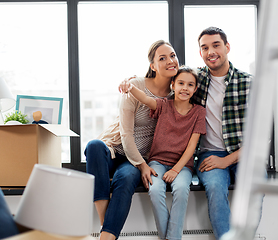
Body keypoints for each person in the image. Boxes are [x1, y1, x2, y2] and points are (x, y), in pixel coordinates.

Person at [85, 40, 179, 240]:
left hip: (136, 158)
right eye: (162, 58)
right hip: (114, 149)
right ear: (153, 66)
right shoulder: (135, 86)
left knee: (126, 178)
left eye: (172, 55)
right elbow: (126, 134)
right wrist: (143, 166)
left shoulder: (176, 95)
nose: (170, 60)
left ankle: (107, 237)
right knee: (93, 145)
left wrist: (143, 164)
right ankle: (105, 222)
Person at [119, 66, 206, 240]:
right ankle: (169, 237)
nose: (185, 88)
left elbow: (192, 147)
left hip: (182, 166)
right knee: (155, 189)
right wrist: (129, 85)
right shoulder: (163, 105)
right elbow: (144, 98)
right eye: (181, 83)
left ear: (195, 89)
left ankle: (172, 238)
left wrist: (176, 170)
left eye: (190, 85)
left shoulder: (199, 112)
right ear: (173, 85)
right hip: (157, 161)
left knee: (181, 189)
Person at [191, 27, 253, 240]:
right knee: (216, 190)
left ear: (227, 47)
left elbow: (261, 138)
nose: (211, 52)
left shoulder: (249, 83)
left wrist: (227, 161)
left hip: (244, 154)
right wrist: (135, 82)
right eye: (205, 48)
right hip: (210, 155)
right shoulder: (195, 81)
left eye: (216, 45)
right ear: (200, 53)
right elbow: (166, 88)